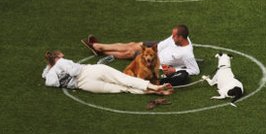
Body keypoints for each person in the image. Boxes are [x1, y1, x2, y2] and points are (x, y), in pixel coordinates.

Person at [83, 25, 200, 86]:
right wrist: (154, 48)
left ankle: (98, 48)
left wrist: (175, 69)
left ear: (181, 37)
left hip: (153, 61)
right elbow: (165, 43)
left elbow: (195, 70)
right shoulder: (179, 38)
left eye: (174, 36)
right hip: (155, 48)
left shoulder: (187, 54)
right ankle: (100, 47)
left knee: (129, 53)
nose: (172, 37)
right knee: (131, 45)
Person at [42, 51, 173, 95]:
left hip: (83, 85)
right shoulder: (62, 62)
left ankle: (154, 91)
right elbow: (74, 70)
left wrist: (51, 68)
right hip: (90, 71)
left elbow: (50, 81)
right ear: (57, 57)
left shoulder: (50, 73)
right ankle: (155, 87)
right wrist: (63, 65)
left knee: (122, 88)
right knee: (123, 79)